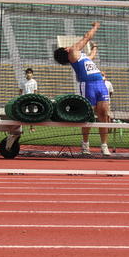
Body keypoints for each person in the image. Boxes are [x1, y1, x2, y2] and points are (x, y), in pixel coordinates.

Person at [53, 21, 111, 156]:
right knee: (88, 116)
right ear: (66, 50)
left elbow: (91, 56)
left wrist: (95, 46)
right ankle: (85, 145)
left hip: (100, 84)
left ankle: (104, 145)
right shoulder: (73, 52)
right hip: (88, 85)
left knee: (104, 114)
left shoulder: (82, 57)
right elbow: (86, 38)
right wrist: (95, 27)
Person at [22, 68, 38, 132]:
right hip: (24, 100)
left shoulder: (34, 82)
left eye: (30, 73)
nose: (29, 74)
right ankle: (21, 128)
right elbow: (20, 91)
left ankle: (32, 127)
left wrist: (34, 99)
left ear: (32, 74)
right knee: (22, 113)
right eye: (28, 73)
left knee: (31, 113)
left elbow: (35, 91)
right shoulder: (22, 81)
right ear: (26, 74)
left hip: (31, 99)